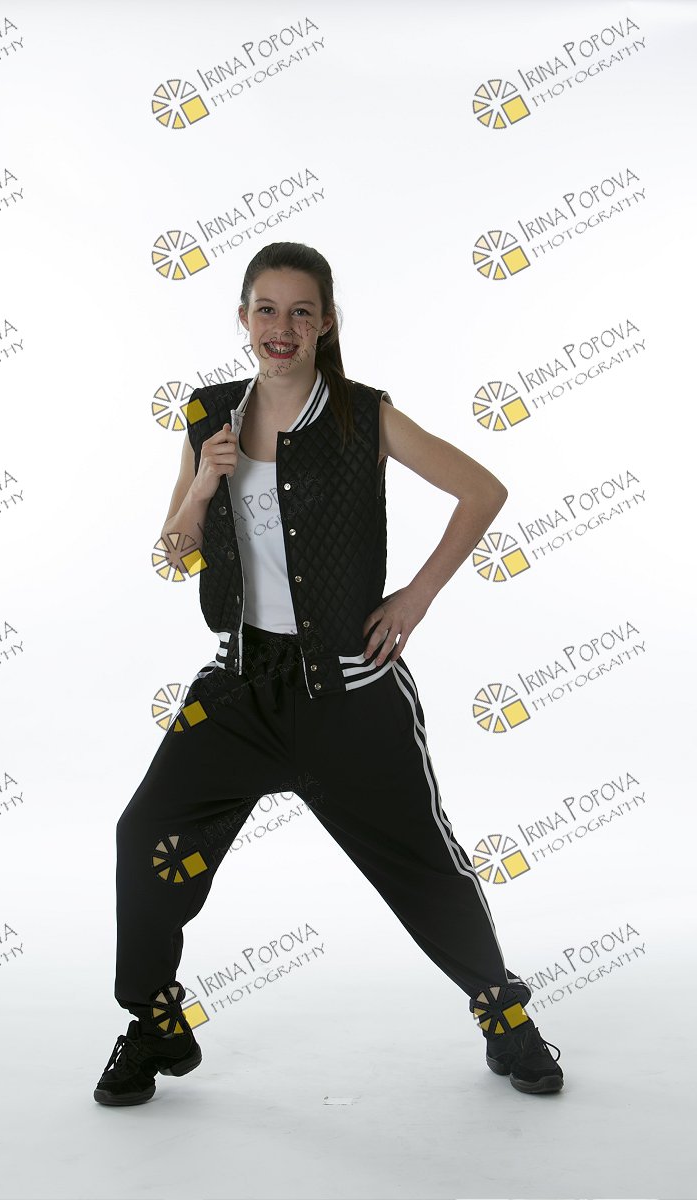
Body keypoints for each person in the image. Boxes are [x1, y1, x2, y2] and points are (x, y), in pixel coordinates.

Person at [93, 241, 564, 1106]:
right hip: (241, 686)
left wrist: (416, 598)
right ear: (243, 318)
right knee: (146, 837)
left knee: (423, 863)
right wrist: (201, 488)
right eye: (266, 310)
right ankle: (154, 1020)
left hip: (348, 689)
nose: (282, 327)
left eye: (300, 312)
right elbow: (173, 554)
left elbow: (483, 491)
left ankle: (504, 1014)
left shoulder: (363, 415)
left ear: (327, 323)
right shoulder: (206, 415)